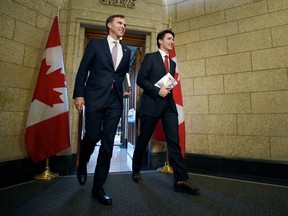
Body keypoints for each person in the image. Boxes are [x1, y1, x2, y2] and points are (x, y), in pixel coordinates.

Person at [132, 30, 201, 195]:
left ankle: (180, 180)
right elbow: (141, 79)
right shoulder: (150, 57)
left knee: (174, 141)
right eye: (169, 39)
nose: (172, 42)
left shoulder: (173, 63)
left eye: (173, 39)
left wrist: (167, 88)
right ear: (160, 41)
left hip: (168, 107)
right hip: (151, 105)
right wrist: (157, 90)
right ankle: (135, 169)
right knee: (143, 139)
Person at [73, 14, 131, 205]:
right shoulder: (95, 45)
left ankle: (98, 188)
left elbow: (118, 76)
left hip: (115, 102)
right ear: (109, 25)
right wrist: (79, 95)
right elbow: (83, 70)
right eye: (119, 23)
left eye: (124, 24)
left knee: (107, 145)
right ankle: (83, 163)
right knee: (92, 135)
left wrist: (121, 92)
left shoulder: (126, 50)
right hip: (94, 98)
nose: (123, 26)